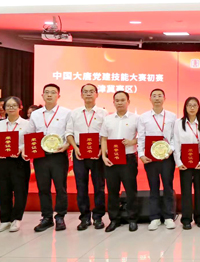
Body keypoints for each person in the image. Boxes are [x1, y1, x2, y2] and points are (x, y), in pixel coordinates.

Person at [24, 84, 71, 232]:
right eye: (47, 92)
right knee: (43, 188)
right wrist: (26, 149)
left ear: (58, 95)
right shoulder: (36, 114)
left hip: (58, 155)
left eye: (53, 92)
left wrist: (67, 145)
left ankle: (60, 217)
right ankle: (47, 217)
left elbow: (70, 132)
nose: (49, 95)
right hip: (40, 156)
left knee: (60, 187)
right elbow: (30, 133)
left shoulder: (66, 113)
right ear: (42, 95)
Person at [64, 83, 107, 231]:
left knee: (99, 186)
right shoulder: (74, 113)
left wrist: (101, 149)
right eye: (85, 91)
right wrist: (75, 148)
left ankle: (98, 217)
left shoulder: (103, 113)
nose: (88, 94)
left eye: (91, 91)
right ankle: (84, 218)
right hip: (79, 152)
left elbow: (106, 134)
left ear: (97, 94)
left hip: (97, 153)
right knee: (81, 186)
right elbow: (68, 133)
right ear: (81, 95)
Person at [0, 96, 31, 233]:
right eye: (8, 106)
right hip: (2, 161)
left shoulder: (27, 124)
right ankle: (5, 220)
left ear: (20, 107)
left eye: (14, 105)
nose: (11, 108)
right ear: (4, 108)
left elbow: (30, 141)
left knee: (20, 190)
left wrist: (20, 149)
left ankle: (16, 219)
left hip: (19, 161)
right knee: (3, 190)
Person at [137, 89, 178, 231]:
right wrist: (141, 154)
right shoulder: (143, 117)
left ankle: (168, 217)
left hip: (167, 158)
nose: (157, 98)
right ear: (150, 99)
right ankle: (154, 218)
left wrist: (170, 150)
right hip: (150, 158)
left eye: (160, 96)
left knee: (168, 186)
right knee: (153, 187)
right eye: (154, 96)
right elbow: (141, 137)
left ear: (164, 98)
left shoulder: (172, 116)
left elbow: (174, 137)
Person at [100, 91, 140, 232]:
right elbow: (104, 138)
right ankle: (114, 219)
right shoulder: (108, 119)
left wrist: (132, 142)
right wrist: (104, 156)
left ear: (128, 102)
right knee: (112, 191)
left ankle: (132, 219)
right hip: (111, 159)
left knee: (130, 190)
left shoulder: (136, 118)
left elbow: (142, 136)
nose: (120, 102)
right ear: (113, 102)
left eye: (123, 100)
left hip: (128, 158)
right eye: (117, 100)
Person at [174, 97, 200, 230]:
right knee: (186, 190)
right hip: (184, 160)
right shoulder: (178, 123)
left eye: (195, 105)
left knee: (199, 190)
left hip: (199, 160)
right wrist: (178, 161)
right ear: (185, 107)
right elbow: (176, 142)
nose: (192, 108)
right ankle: (186, 219)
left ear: (198, 108)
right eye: (189, 105)